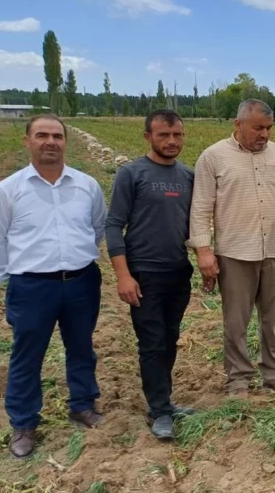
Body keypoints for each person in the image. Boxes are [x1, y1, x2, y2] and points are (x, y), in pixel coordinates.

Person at [0, 114, 107, 459]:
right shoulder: (7, 191)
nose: (50, 141)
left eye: (57, 135)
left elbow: (96, 229)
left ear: (65, 142)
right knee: (27, 355)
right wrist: (11, 278)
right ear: (27, 141)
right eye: (42, 135)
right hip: (32, 287)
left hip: (81, 281)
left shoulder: (86, 186)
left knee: (82, 347)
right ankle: (24, 423)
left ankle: (82, 405)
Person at [189, 99, 275, 397]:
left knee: (273, 319)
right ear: (238, 124)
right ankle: (238, 380)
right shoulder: (213, 158)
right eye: (258, 128)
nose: (265, 134)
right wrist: (203, 249)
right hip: (235, 252)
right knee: (236, 321)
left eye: (269, 128)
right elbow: (201, 207)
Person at [105, 109, 198, 441]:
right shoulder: (131, 174)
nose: (171, 141)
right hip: (144, 273)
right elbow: (114, 225)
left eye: (177, 135)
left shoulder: (188, 175)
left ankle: (165, 401)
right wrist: (123, 275)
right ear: (148, 137)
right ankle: (159, 411)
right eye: (163, 135)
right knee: (152, 343)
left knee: (169, 338)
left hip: (178, 271)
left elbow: (197, 223)